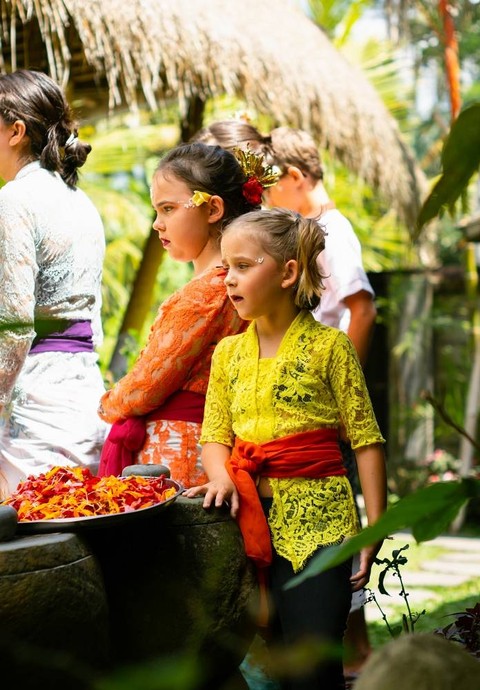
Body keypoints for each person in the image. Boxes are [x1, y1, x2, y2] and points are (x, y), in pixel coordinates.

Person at [184, 207, 387, 690]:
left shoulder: (330, 348)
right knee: (274, 660)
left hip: (322, 525)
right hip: (249, 526)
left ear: (288, 272)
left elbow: (365, 439)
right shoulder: (227, 354)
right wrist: (219, 476)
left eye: (244, 265)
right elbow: (215, 434)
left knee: (313, 665)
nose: (230, 279)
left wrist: (375, 526)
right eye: (226, 267)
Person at [262, 126, 377, 676]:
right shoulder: (314, 230)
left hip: (324, 400)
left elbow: (362, 307)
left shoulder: (332, 232)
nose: (264, 197)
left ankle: (354, 655)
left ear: (294, 178)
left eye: (270, 183)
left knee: (337, 526)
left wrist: (333, 387)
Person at [97, 142, 275, 488]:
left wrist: (107, 404)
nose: (156, 224)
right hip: (214, 442)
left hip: (180, 447)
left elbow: (145, 388)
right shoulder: (244, 284)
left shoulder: (206, 292)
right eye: (156, 211)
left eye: (167, 209)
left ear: (212, 209)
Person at [0, 69, 108, 499]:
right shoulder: (81, 202)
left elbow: (14, 325)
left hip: (34, 398)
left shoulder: (14, 200)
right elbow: (92, 322)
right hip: (83, 393)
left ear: (16, 131)